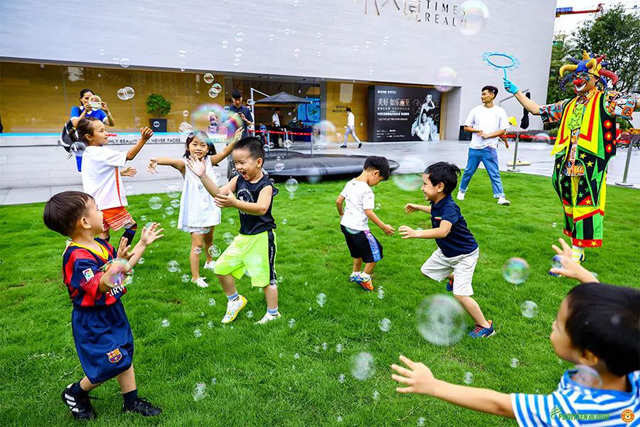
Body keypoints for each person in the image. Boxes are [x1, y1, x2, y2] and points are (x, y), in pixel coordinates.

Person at [391, 238, 639, 425]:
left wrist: (434, 386)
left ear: (587, 356)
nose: (553, 323)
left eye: (560, 324)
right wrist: (584, 275)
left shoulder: (571, 411)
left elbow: (500, 405)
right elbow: (615, 320)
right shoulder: (631, 366)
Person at [504, 51, 640, 263]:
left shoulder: (607, 101)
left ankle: (577, 251)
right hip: (566, 162)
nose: (577, 80)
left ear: (596, 78)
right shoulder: (567, 104)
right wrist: (516, 92)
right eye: (575, 76)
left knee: (586, 203)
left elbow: (636, 102)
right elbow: (537, 110)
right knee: (569, 203)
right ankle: (576, 247)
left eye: (584, 76)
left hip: (590, 164)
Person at [43, 191, 164, 420]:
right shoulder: (77, 256)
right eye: (97, 209)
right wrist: (118, 265)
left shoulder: (100, 245)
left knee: (124, 353)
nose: (102, 212)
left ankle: (131, 401)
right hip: (92, 319)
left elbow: (122, 269)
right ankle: (75, 392)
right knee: (109, 363)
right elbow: (101, 285)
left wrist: (142, 244)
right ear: (85, 222)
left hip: (113, 311)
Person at [186, 137, 280, 325]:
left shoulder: (265, 185)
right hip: (244, 237)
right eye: (236, 163)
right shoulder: (238, 180)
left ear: (258, 162)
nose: (238, 167)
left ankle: (273, 314)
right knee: (221, 268)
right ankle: (235, 300)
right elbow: (218, 193)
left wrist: (235, 203)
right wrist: (202, 175)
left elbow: (261, 208)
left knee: (266, 279)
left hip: (262, 238)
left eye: (242, 162)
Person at [399, 162, 494, 338]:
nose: (422, 188)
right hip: (446, 252)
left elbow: (443, 231)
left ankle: (485, 325)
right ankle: (454, 277)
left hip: (464, 255)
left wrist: (416, 233)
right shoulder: (438, 202)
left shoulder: (450, 207)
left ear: (440, 187)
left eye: (425, 184)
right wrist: (418, 207)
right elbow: (434, 211)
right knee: (426, 271)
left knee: (460, 295)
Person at [147, 129, 242, 288]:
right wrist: (157, 160)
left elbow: (225, 151)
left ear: (208, 148)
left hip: (210, 206)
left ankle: (209, 262)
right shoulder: (185, 164)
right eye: (195, 144)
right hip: (195, 210)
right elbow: (171, 161)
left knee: (209, 239)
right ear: (188, 147)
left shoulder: (210, 161)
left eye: (202, 145)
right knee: (197, 245)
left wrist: (236, 139)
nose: (198, 148)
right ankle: (195, 277)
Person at [74, 117, 153, 245]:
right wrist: (143, 139)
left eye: (105, 130)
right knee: (131, 226)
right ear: (89, 137)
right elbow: (129, 156)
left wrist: (120, 173)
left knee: (104, 233)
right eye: (101, 131)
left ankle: (102, 255)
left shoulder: (88, 152)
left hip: (96, 203)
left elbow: (97, 174)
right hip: (108, 203)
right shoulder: (101, 152)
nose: (106, 133)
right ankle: (120, 254)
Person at [336, 156, 395, 291]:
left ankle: (355, 274)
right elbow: (368, 212)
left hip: (345, 226)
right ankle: (365, 277)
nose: (377, 184)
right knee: (376, 252)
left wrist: (341, 215)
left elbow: (338, 201)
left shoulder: (350, 183)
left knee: (357, 252)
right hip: (359, 229)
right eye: (379, 180)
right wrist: (384, 227)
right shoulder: (367, 190)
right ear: (375, 173)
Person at [458, 85, 511, 206]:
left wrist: (488, 136)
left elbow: (503, 130)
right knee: (468, 171)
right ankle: (462, 191)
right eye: (481, 94)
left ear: (492, 95)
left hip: (490, 148)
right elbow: (466, 127)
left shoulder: (500, 111)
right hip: (474, 148)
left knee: (494, 173)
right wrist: (476, 130)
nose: (481, 96)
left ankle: (500, 197)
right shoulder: (476, 110)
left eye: (484, 94)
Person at [70, 89, 115, 172]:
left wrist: (107, 111)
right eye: (86, 98)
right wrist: (85, 111)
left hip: (96, 145)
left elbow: (111, 123)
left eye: (91, 98)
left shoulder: (99, 112)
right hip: (82, 145)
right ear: (81, 99)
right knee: (85, 169)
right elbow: (75, 124)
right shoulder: (76, 109)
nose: (89, 101)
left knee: (98, 168)